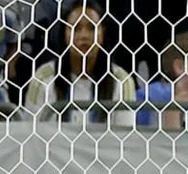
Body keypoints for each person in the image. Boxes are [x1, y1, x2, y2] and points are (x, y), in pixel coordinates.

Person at [24, 0, 137, 128]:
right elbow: (31, 135)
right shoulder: (43, 78)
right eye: (76, 28)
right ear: (65, 34)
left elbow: (125, 139)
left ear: (102, 34)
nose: (84, 36)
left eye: (92, 28)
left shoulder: (121, 81)